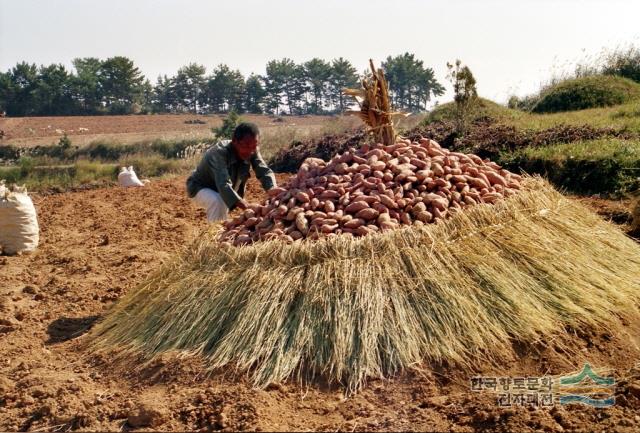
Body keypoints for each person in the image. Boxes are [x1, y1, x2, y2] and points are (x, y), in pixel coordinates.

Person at [186, 122, 276, 222]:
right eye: (246, 146)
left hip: (223, 190)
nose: (250, 151)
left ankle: (222, 227)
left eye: (254, 146)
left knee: (223, 202)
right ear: (234, 141)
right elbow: (223, 184)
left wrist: (273, 189)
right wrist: (246, 206)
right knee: (218, 201)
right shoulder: (219, 153)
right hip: (200, 186)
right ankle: (214, 233)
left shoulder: (252, 149)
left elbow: (264, 171)